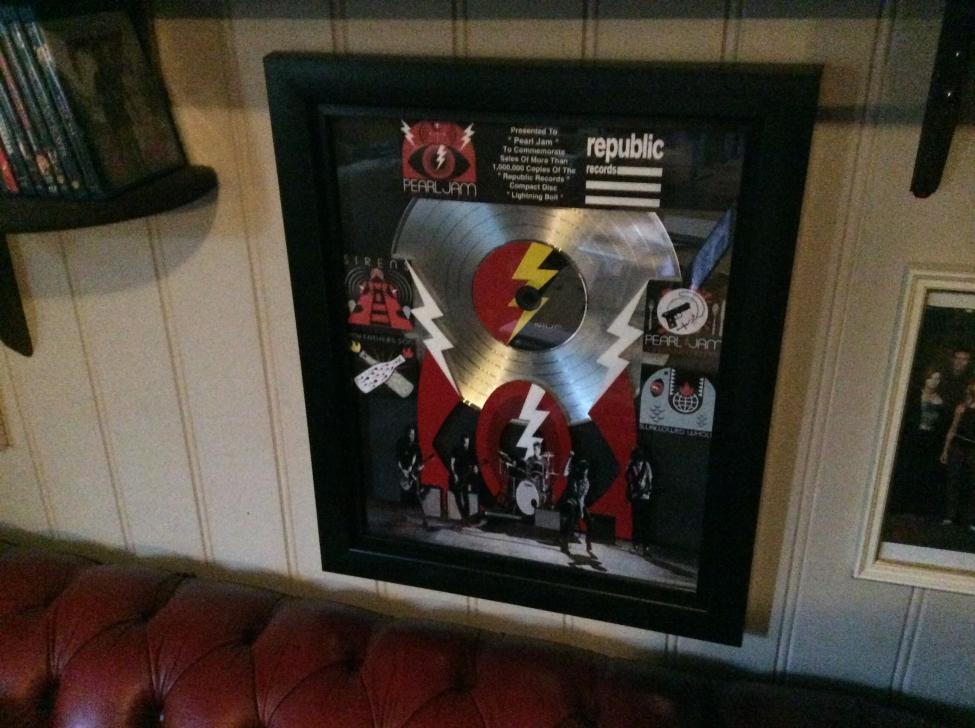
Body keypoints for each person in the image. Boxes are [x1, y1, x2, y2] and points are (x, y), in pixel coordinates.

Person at [888, 367, 945, 516]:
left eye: (937, 379)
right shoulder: (915, 396)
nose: (934, 382)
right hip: (914, 437)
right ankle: (900, 505)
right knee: (908, 468)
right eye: (932, 378)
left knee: (923, 471)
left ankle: (916, 507)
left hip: (930, 439)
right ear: (925, 379)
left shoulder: (940, 400)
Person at [939, 380, 975, 531]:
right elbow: (953, 428)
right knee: (953, 480)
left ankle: (970, 519)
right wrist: (945, 449)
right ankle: (950, 516)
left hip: (973, 448)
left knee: (972, 483)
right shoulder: (961, 408)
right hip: (958, 445)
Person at [558, 452, 593, 555]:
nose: (585, 473)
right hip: (569, 500)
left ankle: (588, 541)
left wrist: (582, 511)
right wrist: (569, 458)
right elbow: (565, 473)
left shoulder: (586, 482)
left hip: (579, 503)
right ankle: (564, 543)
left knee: (589, 521)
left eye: (586, 471)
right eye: (584, 470)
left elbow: (582, 498)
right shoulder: (573, 477)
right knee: (572, 517)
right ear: (580, 470)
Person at [625, 447, 654, 555]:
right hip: (637, 497)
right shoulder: (631, 466)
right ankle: (637, 545)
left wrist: (645, 491)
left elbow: (650, 481)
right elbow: (627, 478)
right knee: (637, 522)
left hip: (644, 497)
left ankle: (644, 546)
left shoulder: (646, 465)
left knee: (643, 523)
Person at [450, 435, 478, 523]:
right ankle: (463, 515)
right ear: (461, 442)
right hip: (458, 475)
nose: (466, 444)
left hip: (466, 476)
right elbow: (452, 463)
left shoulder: (470, 451)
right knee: (457, 495)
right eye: (465, 443)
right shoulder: (456, 450)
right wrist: (454, 474)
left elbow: (474, 464)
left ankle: (466, 516)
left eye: (467, 443)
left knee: (465, 495)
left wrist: (475, 467)